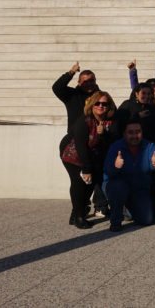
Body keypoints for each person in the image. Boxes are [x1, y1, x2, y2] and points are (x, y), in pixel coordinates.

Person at [60, 91, 117, 228]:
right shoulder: (84, 121)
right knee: (79, 182)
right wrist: (86, 169)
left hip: (93, 156)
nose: (101, 106)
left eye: (104, 104)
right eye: (97, 103)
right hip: (73, 155)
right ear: (92, 105)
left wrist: (103, 134)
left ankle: (75, 214)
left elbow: (112, 141)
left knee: (91, 183)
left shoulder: (111, 122)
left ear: (109, 106)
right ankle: (79, 217)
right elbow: (81, 147)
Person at [103, 118, 155, 232]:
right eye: (131, 132)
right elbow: (107, 171)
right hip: (117, 186)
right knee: (118, 187)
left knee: (147, 219)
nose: (135, 135)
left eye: (138, 131)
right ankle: (116, 220)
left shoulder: (149, 146)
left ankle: (127, 209)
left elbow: (154, 163)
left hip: (139, 188)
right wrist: (115, 166)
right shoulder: (116, 147)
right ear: (124, 133)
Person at [53, 61, 99, 128]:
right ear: (79, 83)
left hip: (96, 136)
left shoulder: (102, 97)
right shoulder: (72, 95)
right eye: (85, 82)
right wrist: (71, 73)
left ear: (95, 81)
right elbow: (57, 87)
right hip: (75, 136)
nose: (89, 84)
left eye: (91, 81)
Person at [116, 83, 155, 149]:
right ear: (137, 94)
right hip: (127, 145)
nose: (146, 96)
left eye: (149, 94)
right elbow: (118, 122)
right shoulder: (127, 104)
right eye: (143, 93)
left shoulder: (153, 109)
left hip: (146, 146)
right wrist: (137, 116)